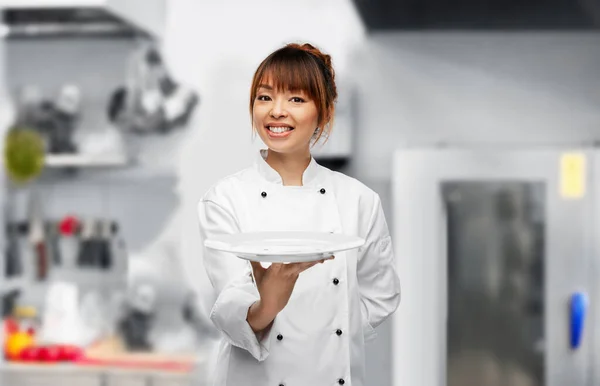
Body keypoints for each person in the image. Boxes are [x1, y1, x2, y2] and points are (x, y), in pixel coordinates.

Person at [197, 42, 401, 386]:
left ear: (323, 112)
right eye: (265, 98)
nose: (277, 111)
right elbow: (229, 301)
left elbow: (381, 295)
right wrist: (267, 307)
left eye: (296, 99)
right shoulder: (224, 199)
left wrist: (330, 328)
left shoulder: (359, 200)